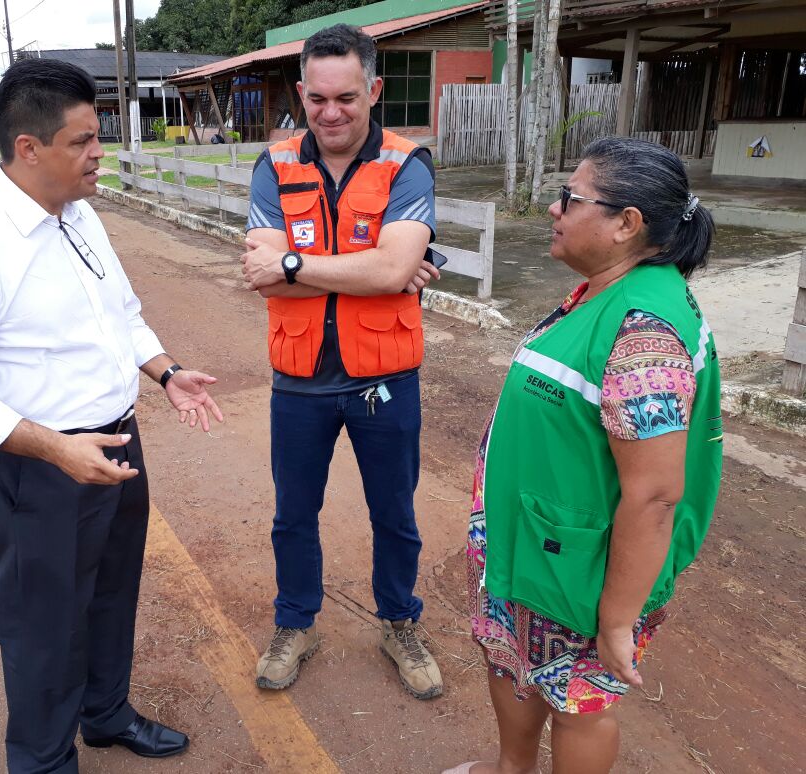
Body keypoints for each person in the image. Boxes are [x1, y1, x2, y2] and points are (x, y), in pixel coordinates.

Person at [0, 58, 222, 773]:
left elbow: (122, 316)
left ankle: (105, 714)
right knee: (42, 626)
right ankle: (44, 760)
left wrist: (166, 373)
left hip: (115, 443)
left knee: (111, 593)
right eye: (83, 140)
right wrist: (55, 449)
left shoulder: (80, 217)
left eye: (97, 135)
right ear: (29, 148)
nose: (99, 151)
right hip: (37, 468)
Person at [443, 137, 723, 774]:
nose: (554, 208)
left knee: (579, 703)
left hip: (582, 568)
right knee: (513, 663)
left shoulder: (643, 333)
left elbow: (655, 495)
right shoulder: (603, 293)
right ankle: (512, 768)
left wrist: (618, 620)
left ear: (627, 224)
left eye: (570, 198)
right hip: (537, 544)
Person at [241, 24, 444, 700]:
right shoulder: (275, 166)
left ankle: (399, 621)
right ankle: (295, 623)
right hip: (299, 381)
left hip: (384, 379)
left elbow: (387, 270)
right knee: (293, 514)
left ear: (374, 90)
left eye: (347, 98)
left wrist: (296, 263)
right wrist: (380, 270)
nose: (331, 113)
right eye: (318, 98)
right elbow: (266, 279)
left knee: (395, 513)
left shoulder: (406, 164)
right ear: (301, 92)